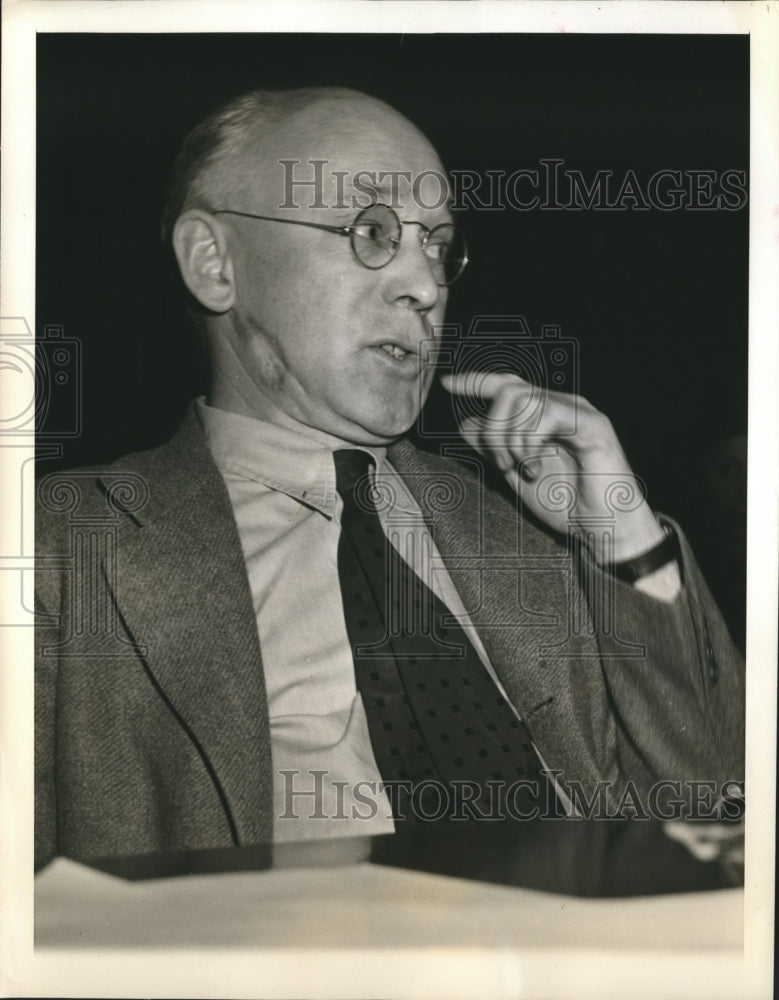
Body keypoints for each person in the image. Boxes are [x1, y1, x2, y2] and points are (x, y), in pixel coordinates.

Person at [34, 87, 744, 869]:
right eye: (370, 231)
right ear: (214, 262)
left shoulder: (527, 537)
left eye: (437, 245)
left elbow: (715, 823)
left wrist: (622, 535)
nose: (426, 285)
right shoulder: (58, 551)